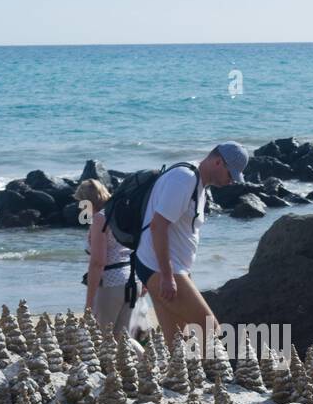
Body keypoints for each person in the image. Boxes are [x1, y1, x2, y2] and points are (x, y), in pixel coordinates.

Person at [132, 142, 248, 348]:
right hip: (162, 269)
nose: (231, 182)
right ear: (218, 162)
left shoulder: (197, 182)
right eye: (230, 175)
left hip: (167, 268)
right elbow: (158, 227)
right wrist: (167, 276)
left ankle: (177, 378)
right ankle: (213, 377)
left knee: (178, 344)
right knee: (211, 331)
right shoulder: (184, 179)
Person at [75, 179, 133, 334]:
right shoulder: (120, 214)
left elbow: (98, 262)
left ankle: (142, 358)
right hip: (132, 279)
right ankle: (144, 358)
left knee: (101, 338)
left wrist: (89, 302)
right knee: (124, 338)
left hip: (111, 284)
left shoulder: (100, 219)